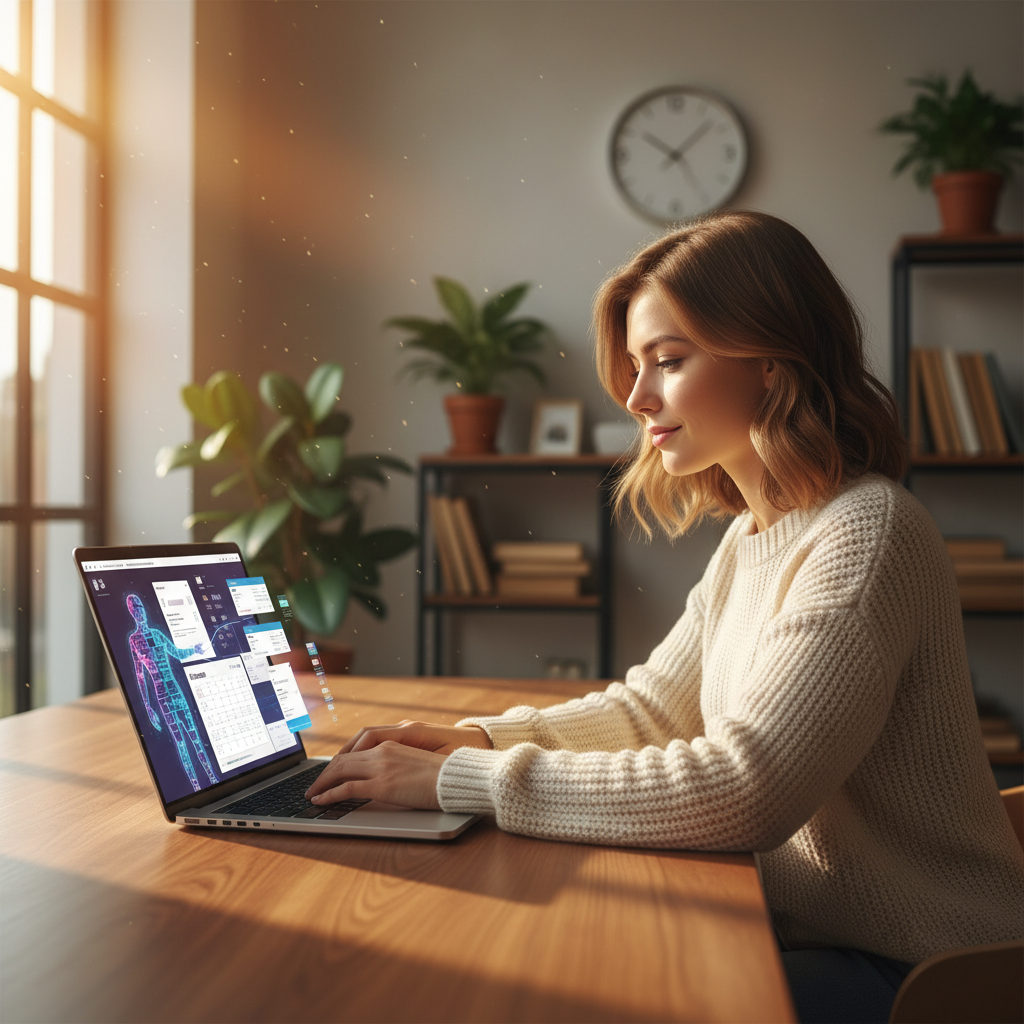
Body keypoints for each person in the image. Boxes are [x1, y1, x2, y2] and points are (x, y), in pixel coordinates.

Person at [306, 211, 1024, 1023]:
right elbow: (651, 711)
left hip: (929, 976)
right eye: (636, 365)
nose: (635, 395)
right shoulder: (754, 537)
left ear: (770, 358)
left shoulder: (867, 534)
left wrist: (462, 782)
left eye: (669, 361)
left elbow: (748, 789)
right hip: (818, 939)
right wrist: (477, 739)